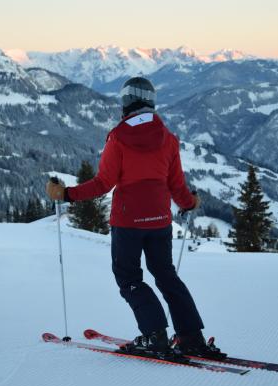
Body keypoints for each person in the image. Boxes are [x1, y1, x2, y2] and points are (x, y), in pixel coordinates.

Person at [46, 77, 224, 359]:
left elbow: (103, 183)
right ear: (151, 102)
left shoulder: (118, 137)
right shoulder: (168, 138)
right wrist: (190, 203)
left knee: (129, 278)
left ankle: (155, 335)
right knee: (166, 276)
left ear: (126, 103)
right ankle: (191, 336)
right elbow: (177, 185)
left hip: (128, 223)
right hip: (160, 221)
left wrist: (66, 194)